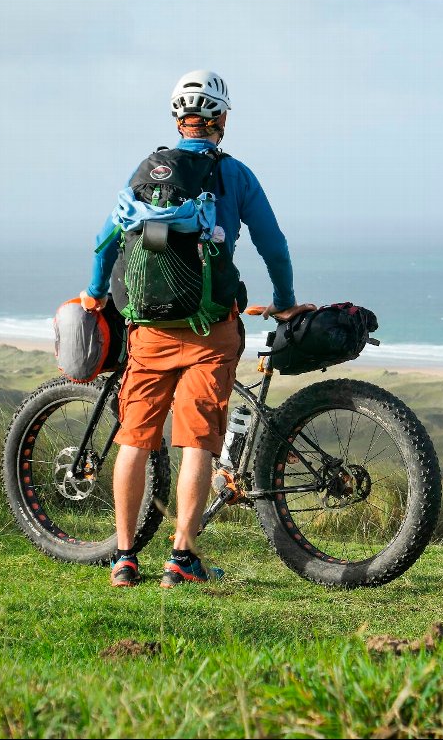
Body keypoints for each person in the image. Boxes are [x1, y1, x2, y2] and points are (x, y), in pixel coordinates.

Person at [79, 70, 315, 589]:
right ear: (221, 119)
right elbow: (273, 245)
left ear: (178, 118)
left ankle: (123, 558)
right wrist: (286, 302)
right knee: (196, 442)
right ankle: (181, 558)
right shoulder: (235, 176)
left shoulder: (147, 172)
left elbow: (106, 237)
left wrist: (96, 292)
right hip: (211, 328)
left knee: (135, 440)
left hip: (149, 333)